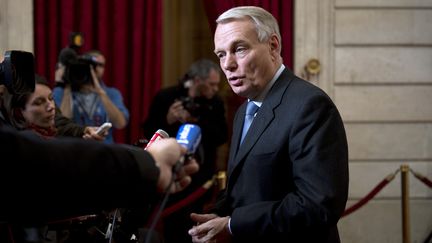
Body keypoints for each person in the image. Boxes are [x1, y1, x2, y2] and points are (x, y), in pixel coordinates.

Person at [188, 6, 349, 243]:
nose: (228, 65)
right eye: (221, 54)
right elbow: (247, 187)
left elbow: (318, 205)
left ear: (273, 46)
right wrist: (217, 216)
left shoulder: (310, 106)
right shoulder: (244, 110)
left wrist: (233, 225)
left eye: (239, 49)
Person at [142, 58, 228, 242]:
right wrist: (168, 121)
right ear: (198, 80)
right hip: (173, 173)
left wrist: (195, 122)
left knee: (197, 224)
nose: (215, 89)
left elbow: (221, 136)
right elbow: (149, 133)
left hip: (202, 175)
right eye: (211, 84)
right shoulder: (166, 97)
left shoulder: (216, 102)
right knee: (174, 225)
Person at [53, 50, 129, 143]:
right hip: (73, 149)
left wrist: (100, 92)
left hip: (104, 150)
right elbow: (61, 123)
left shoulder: (112, 93)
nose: (96, 69)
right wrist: (68, 84)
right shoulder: (61, 92)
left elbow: (120, 123)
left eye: (100, 65)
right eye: (93, 65)